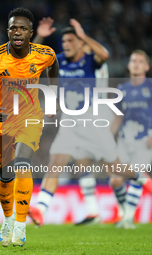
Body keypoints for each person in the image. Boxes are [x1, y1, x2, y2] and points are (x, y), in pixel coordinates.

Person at [27, 17, 152, 227]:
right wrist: (40, 36)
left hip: (94, 121)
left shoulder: (91, 61)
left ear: (81, 44)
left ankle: (143, 179)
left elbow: (104, 55)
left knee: (115, 168)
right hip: (69, 123)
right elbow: (32, 59)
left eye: (71, 41)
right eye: (64, 42)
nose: (65, 45)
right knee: (57, 162)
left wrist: (83, 36)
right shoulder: (59, 61)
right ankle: (40, 209)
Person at [0, 8, 59, 247]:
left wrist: (51, 99)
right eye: (13, 28)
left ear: (31, 33)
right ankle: (8, 219)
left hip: (29, 118)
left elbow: (53, 68)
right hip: (0, 124)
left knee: (22, 164)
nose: (17, 32)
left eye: (22, 28)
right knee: (5, 175)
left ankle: (21, 224)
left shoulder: (44, 53)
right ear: (7, 31)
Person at [109, 50, 152, 229]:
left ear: (147, 67)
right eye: (133, 60)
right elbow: (118, 117)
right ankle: (125, 212)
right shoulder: (121, 89)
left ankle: (127, 218)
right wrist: (107, 137)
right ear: (128, 65)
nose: (136, 63)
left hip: (145, 140)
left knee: (138, 174)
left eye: (140, 61)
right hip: (125, 141)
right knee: (115, 180)